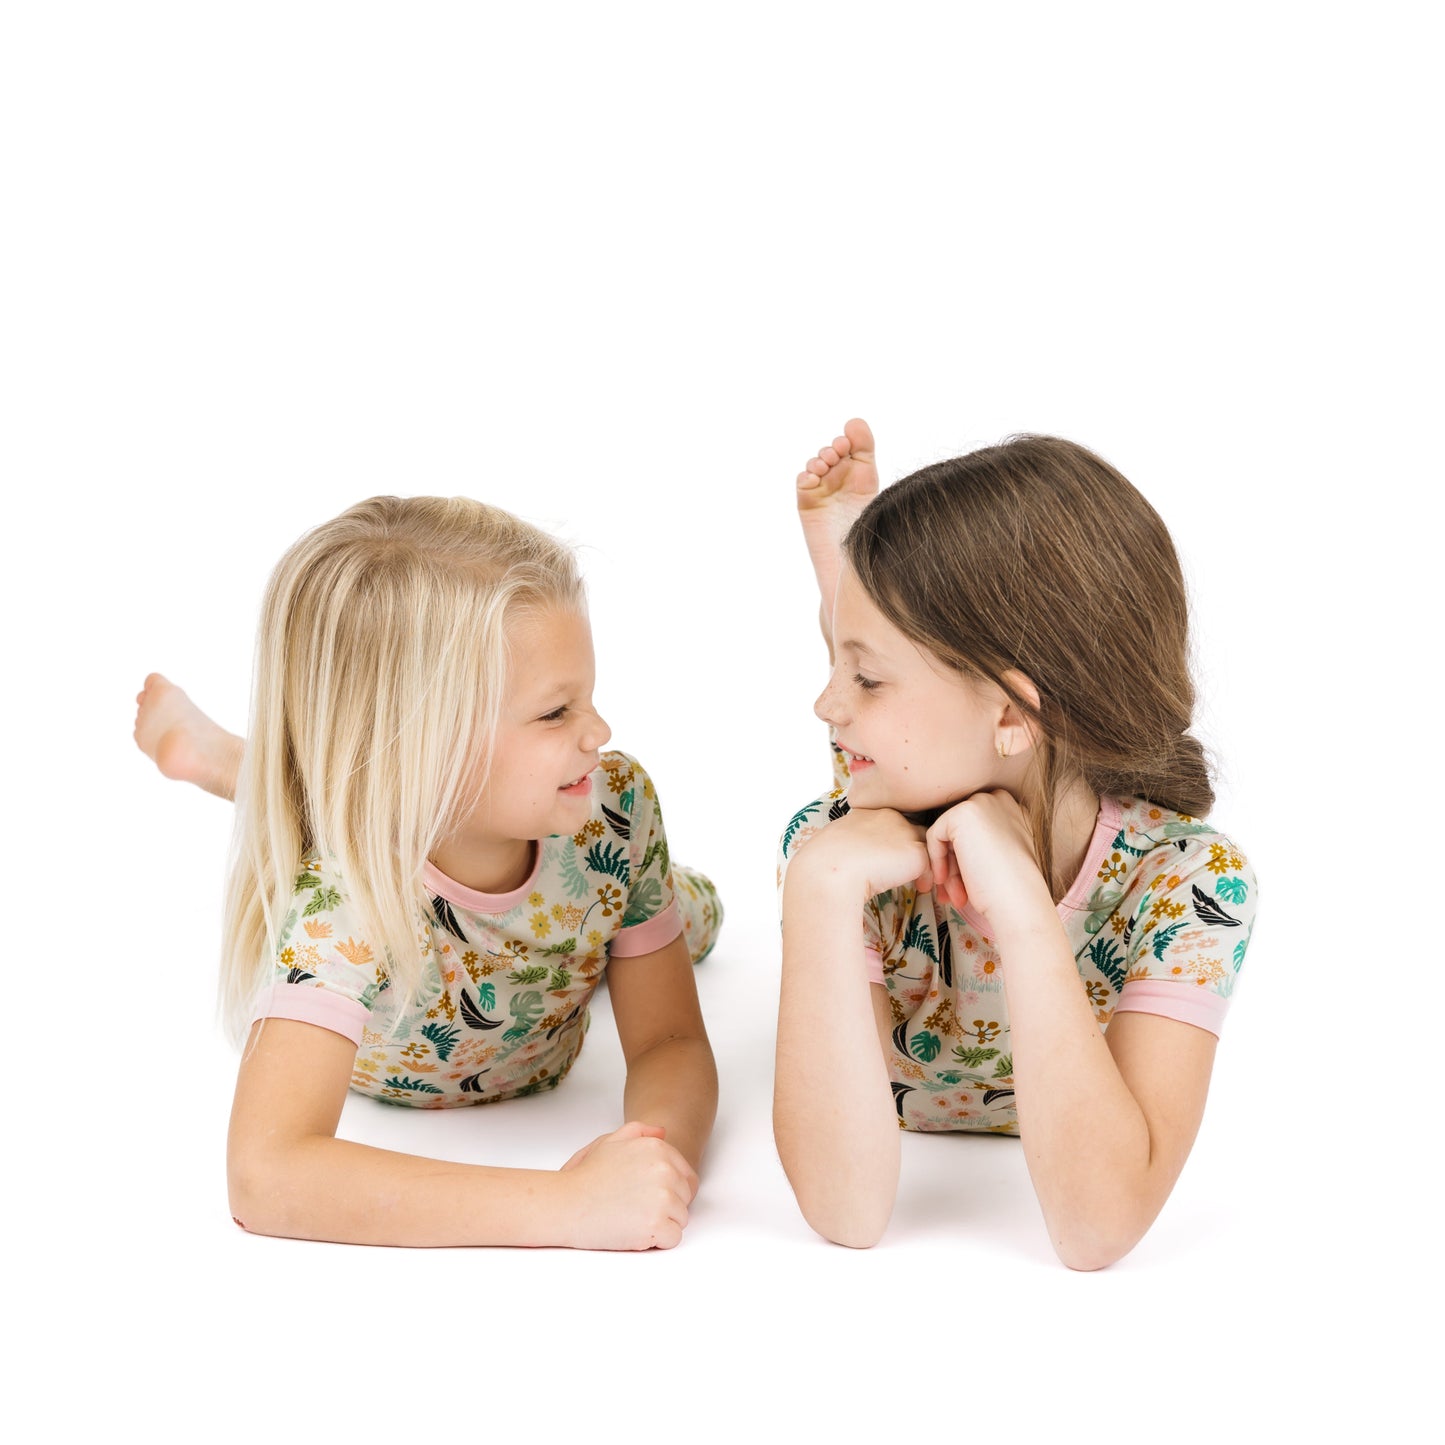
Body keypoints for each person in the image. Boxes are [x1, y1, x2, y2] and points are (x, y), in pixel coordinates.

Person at [134, 496, 720, 1250]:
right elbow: (265, 1173)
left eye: (589, 697)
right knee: (328, 822)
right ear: (425, 744)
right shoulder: (341, 899)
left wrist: (653, 1159)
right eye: (555, 713)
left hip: (565, 911)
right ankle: (244, 769)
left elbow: (670, 1039)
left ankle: (252, 768)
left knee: (701, 912)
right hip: (392, 885)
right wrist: (565, 1203)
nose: (599, 732)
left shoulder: (613, 808)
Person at [775, 420, 1256, 1269]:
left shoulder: (1188, 882)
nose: (822, 704)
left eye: (864, 673)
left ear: (1008, 711)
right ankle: (856, 597)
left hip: (1004, 767)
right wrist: (815, 886)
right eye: (842, 662)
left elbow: (1097, 1226)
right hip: (946, 762)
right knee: (870, 751)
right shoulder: (848, 851)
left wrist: (1027, 915)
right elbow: (845, 1211)